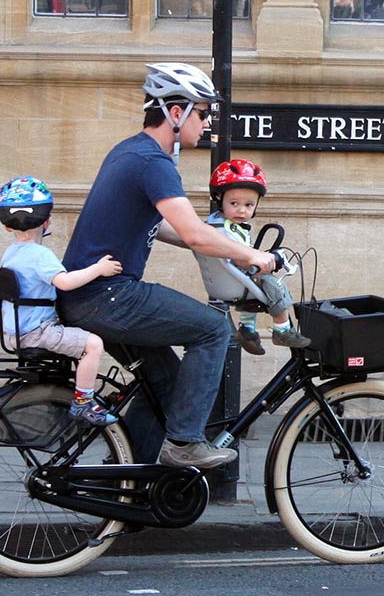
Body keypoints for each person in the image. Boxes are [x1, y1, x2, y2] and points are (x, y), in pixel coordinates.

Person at [57, 62, 276, 469]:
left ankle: (128, 482)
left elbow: (169, 228)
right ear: (176, 113)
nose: (206, 124)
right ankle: (185, 444)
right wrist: (252, 255)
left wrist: (218, 245)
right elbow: (193, 232)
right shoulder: (152, 163)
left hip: (88, 297)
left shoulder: (130, 151)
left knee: (168, 384)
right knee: (212, 329)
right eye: (202, 113)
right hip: (110, 296)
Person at [0, 176, 123, 426]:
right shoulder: (40, 254)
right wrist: (99, 269)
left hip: (18, 331)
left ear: (7, 227)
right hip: (38, 332)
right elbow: (65, 282)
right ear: (47, 220)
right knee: (93, 345)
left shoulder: (11, 253)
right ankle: (84, 402)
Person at [207, 159, 311, 356]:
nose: (241, 210)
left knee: (255, 287)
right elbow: (237, 256)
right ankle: (282, 329)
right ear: (219, 198)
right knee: (274, 284)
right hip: (237, 280)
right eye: (234, 203)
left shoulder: (215, 223)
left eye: (248, 205)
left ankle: (247, 329)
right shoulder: (225, 230)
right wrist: (265, 262)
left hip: (233, 281)